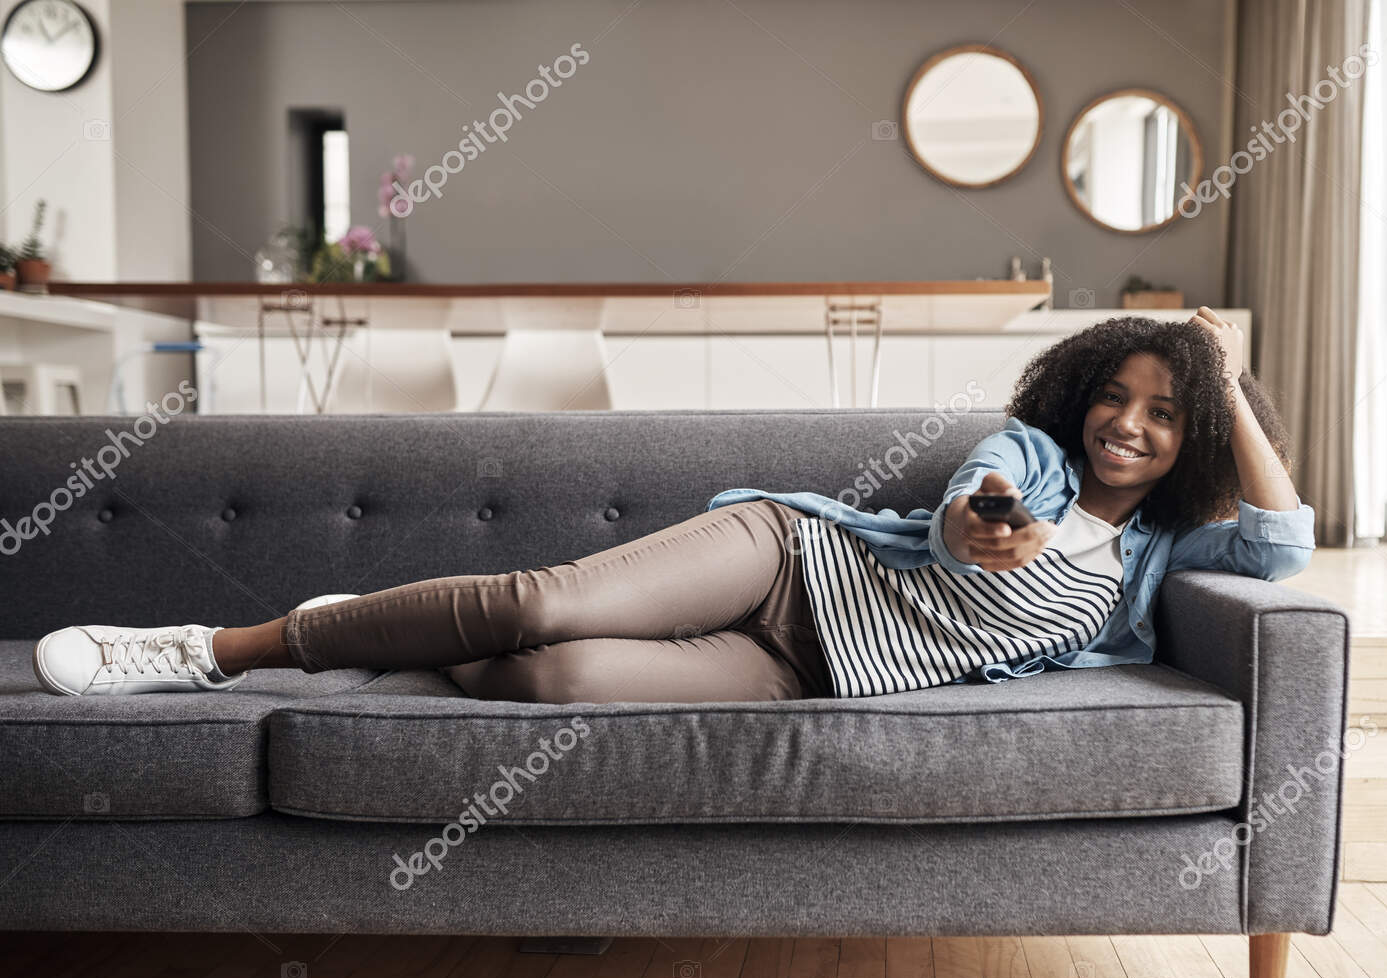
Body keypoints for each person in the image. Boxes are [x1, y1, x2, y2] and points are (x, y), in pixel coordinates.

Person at [32, 308, 1313, 703]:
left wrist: (1226, 380)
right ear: (1084, 392)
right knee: (540, 598)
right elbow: (970, 504)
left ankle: (370, 629)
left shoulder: (1151, 556)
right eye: (1119, 395)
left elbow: (1284, 542)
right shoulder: (1028, 459)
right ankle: (218, 649)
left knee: (551, 680)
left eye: (1163, 412)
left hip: (817, 670)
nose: (1128, 424)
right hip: (788, 568)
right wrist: (980, 521)